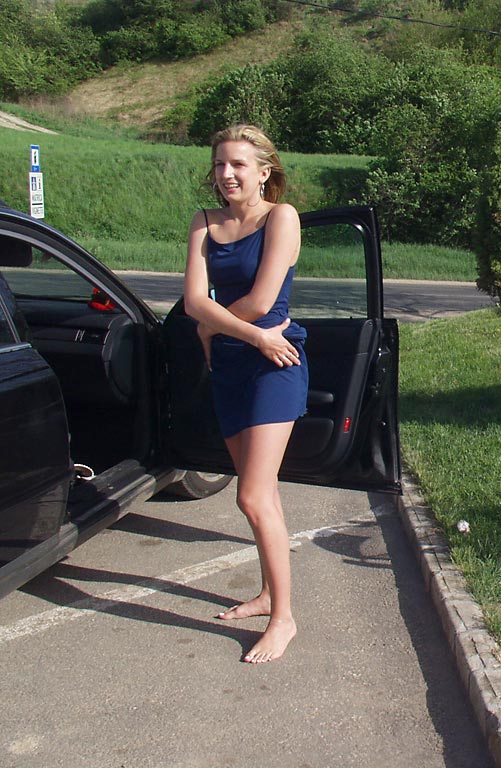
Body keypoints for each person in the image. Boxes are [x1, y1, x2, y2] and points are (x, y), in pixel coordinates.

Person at [183, 124, 308, 664]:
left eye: (238, 164)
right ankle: (267, 594)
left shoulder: (282, 217)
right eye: (220, 164)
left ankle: (284, 619)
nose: (227, 174)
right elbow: (193, 301)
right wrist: (221, 329)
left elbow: (260, 301)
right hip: (234, 364)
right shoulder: (204, 223)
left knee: (251, 497)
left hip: (275, 363)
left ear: (264, 171)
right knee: (263, 495)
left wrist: (214, 327)